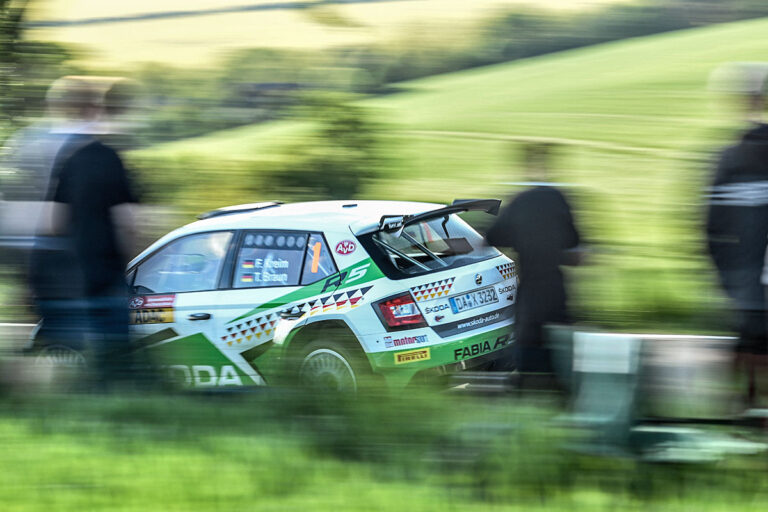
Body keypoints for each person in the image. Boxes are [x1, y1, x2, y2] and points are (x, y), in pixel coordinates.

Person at [46, 78, 139, 388]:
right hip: (108, 268)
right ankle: (114, 392)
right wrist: (132, 261)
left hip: (75, 271)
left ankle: (85, 393)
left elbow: (55, 223)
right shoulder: (110, 158)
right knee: (115, 346)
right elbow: (127, 221)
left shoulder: (68, 160)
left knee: (78, 344)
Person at [486, 143, 581, 382]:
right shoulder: (560, 198)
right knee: (559, 345)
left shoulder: (519, 202)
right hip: (557, 289)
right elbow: (575, 243)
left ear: (526, 167)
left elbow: (493, 237)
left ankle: (529, 393)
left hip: (530, 288)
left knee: (527, 344)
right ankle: (558, 389)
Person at [706, 64, 768, 409]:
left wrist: (723, 276)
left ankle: (742, 414)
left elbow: (709, 227)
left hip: (742, 278)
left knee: (746, 348)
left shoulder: (728, 158)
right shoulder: (728, 158)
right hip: (747, 277)